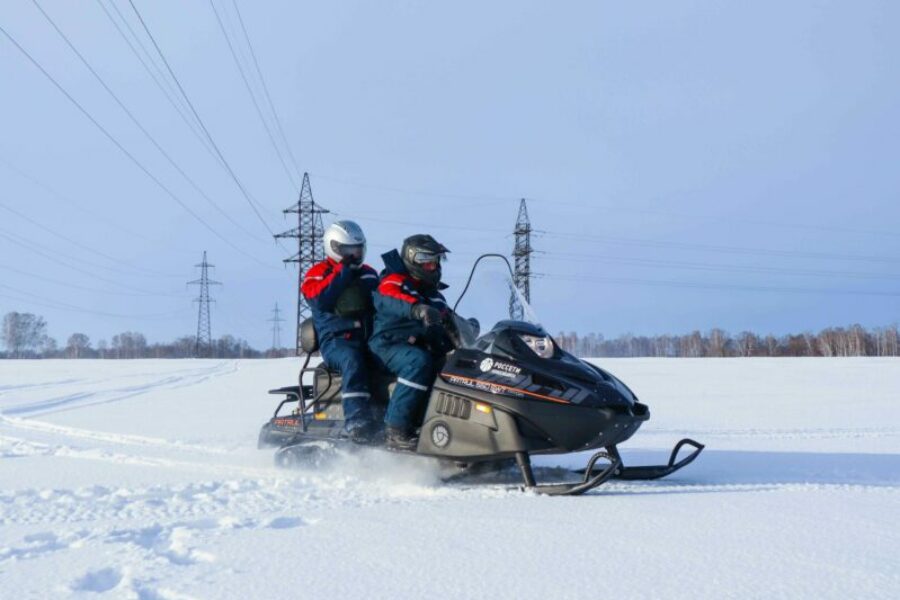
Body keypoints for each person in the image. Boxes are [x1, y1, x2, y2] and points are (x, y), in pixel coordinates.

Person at [370, 234, 455, 450]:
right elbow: (391, 299)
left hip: (415, 344)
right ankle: (396, 428)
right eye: (427, 262)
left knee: (452, 364)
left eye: (435, 262)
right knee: (418, 362)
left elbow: (447, 317)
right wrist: (416, 309)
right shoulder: (394, 281)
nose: (433, 267)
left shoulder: (433, 295)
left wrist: (463, 328)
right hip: (387, 344)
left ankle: (441, 427)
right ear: (412, 260)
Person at [301, 220, 380, 442]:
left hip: (368, 338)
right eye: (349, 251)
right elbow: (319, 299)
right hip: (336, 341)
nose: (355, 255)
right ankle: (356, 421)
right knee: (352, 361)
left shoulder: (369, 274)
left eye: (358, 250)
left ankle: (392, 418)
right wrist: (342, 273)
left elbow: (384, 302)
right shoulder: (317, 274)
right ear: (334, 247)